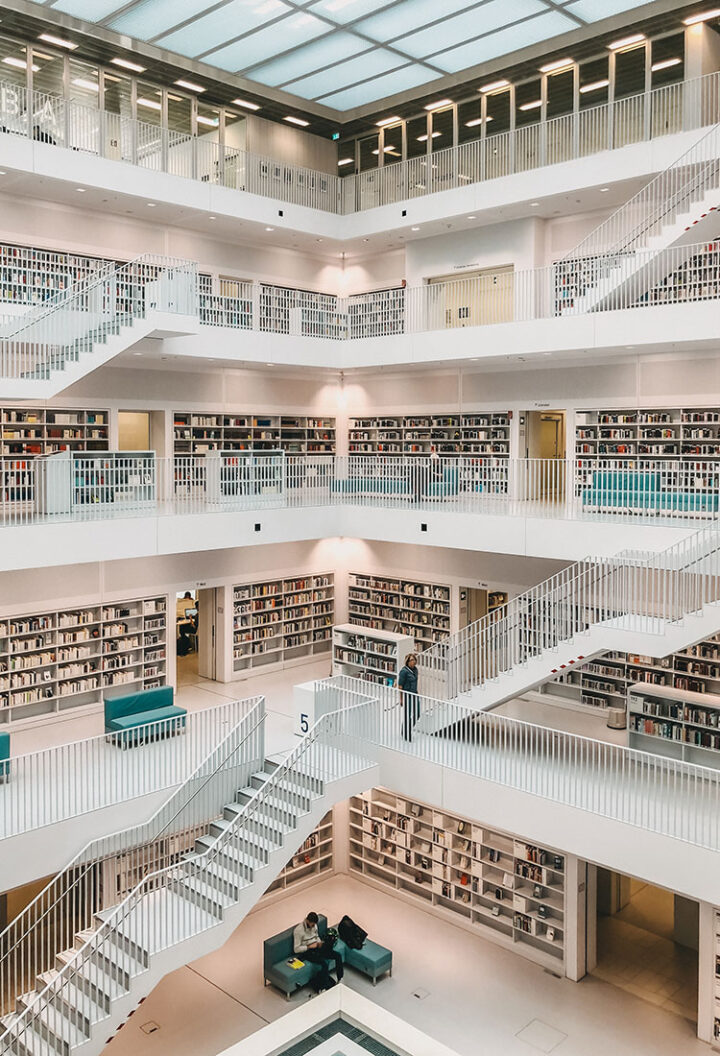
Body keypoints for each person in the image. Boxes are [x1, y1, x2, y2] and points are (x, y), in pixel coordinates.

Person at [293, 911, 343, 992]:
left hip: (317, 947)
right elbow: (296, 949)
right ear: (308, 921)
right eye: (312, 924)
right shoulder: (298, 931)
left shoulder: (314, 926)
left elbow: (316, 936)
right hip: (308, 952)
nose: (313, 926)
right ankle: (322, 987)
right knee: (324, 963)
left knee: (337, 955)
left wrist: (319, 942)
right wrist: (309, 946)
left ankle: (340, 978)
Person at [399, 653, 420, 741]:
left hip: (415, 694)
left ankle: (406, 729)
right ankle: (407, 733)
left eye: (414, 659)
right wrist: (401, 699)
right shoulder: (404, 671)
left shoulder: (415, 670)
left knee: (417, 714)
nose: (413, 661)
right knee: (407, 715)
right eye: (411, 660)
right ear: (407, 662)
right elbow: (400, 686)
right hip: (408, 695)